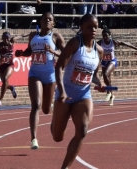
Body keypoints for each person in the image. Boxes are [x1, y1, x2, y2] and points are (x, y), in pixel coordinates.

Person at [52, 14, 104, 169]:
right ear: (81, 27)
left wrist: (99, 83)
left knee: (82, 131)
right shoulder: (75, 43)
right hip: (66, 92)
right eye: (89, 27)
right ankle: (55, 123)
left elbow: (94, 75)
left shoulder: (99, 51)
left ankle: (65, 167)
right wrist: (61, 91)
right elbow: (59, 67)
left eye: (95, 27)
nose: (93, 30)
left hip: (83, 94)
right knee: (57, 137)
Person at [15, 12, 66, 149]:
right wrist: (21, 53)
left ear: (53, 23)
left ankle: (51, 108)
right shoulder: (33, 35)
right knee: (36, 105)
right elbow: (29, 51)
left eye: (50, 19)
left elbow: (66, 55)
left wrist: (53, 52)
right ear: (41, 21)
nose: (47, 21)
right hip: (35, 73)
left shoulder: (56, 37)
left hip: (50, 75)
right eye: (44, 19)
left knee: (45, 109)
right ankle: (33, 139)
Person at [97, 28, 137, 105]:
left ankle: (108, 92)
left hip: (112, 61)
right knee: (106, 79)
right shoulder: (100, 42)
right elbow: (91, 46)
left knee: (105, 74)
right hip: (104, 62)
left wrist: (135, 48)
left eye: (106, 36)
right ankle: (112, 96)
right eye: (103, 36)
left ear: (109, 35)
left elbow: (125, 43)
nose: (105, 37)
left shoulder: (113, 42)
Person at [0, 32, 29, 106]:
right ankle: (11, 87)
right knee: (4, 83)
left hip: (10, 65)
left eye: (7, 39)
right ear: (2, 39)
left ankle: (0, 100)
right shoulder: (0, 45)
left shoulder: (12, 41)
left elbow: (21, 35)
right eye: (4, 39)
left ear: (9, 38)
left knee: (5, 78)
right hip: (2, 66)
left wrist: (29, 34)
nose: (6, 40)